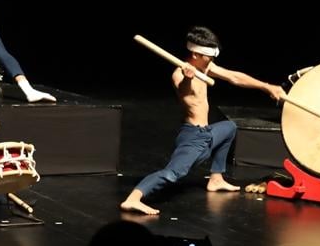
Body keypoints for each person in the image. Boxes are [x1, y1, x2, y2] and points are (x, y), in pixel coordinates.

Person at [120, 26, 286, 215]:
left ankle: (216, 179)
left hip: (207, 132)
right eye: (209, 55)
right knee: (173, 174)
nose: (213, 59)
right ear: (195, 54)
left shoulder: (205, 68)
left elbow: (234, 77)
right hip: (193, 137)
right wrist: (188, 79)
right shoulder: (180, 74)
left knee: (229, 128)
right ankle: (133, 199)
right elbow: (184, 91)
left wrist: (267, 87)